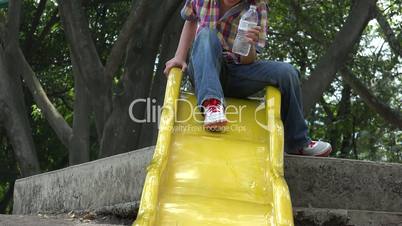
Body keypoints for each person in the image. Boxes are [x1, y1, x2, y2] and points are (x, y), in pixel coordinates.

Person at [163, 0, 332, 157]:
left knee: (287, 72)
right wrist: (179, 56)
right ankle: (212, 105)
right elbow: (190, 20)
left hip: (238, 72)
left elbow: (248, 61)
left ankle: (298, 142)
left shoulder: (257, 7)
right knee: (206, 34)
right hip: (205, 70)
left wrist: (250, 44)